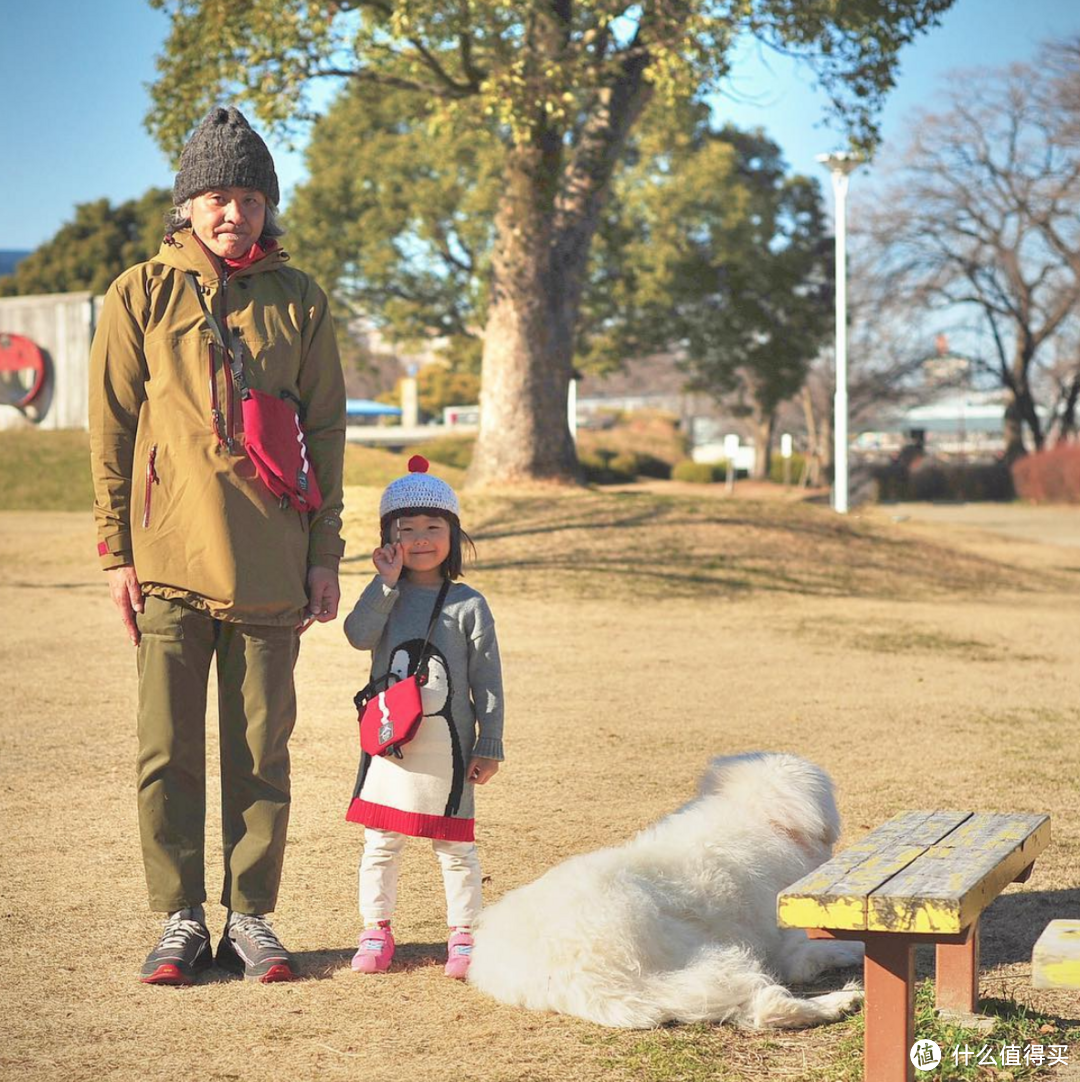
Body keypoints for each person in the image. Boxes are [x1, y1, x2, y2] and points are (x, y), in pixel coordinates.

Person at [89, 106, 346, 985]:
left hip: (274, 563)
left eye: (247, 196)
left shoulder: (301, 298)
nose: (231, 213)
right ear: (186, 206)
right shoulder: (139, 293)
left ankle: (252, 919)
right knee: (165, 751)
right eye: (214, 196)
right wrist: (116, 551)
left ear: (267, 206)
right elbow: (112, 428)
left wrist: (325, 552)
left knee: (261, 750)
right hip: (166, 564)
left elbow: (327, 431)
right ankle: (178, 919)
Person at [343, 456, 504, 979]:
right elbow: (358, 635)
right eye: (405, 529)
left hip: (450, 747)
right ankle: (376, 929)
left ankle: (464, 934)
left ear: (453, 535)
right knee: (381, 842)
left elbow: (487, 680)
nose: (420, 539)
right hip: (390, 743)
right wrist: (384, 583)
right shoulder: (386, 593)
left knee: (455, 844)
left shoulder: (468, 604)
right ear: (388, 537)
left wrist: (490, 743)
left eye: (433, 527)